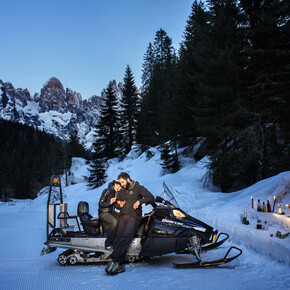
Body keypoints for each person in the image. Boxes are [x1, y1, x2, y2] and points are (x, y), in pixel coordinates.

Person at [105, 172, 155, 275]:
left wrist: (139, 202)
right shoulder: (121, 190)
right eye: (120, 182)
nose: (122, 184)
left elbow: (151, 197)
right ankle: (115, 261)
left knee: (125, 236)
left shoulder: (138, 188)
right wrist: (119, 203)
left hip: (134, 216)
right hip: (123, 215)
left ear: (128, 179)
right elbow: (117, 205)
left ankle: (117, 262)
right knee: (118, 236)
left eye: (123, 182)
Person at [98, 180, 122, 249]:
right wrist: (110, 203)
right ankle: (108, 243)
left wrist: (119, 203)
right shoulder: (107, 191)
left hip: (110, 212)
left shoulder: (115, 193)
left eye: (120, 186)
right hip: (103, 213)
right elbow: (100, 204)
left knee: (122, 218)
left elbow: (114, 204)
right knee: (115, 222)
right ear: (114, 184)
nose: (118, 187)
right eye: (117, 185)